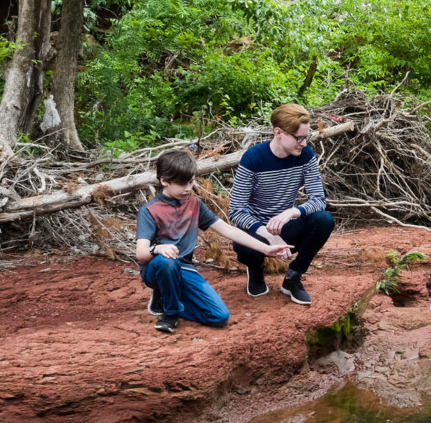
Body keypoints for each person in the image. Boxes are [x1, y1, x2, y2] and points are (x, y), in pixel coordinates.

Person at [137, 150, 291, 334]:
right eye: (182, 184)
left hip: (184, 268)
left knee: (219, 316)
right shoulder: (149, 210)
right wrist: (158, 248)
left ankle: (168, 296)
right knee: (166, 262)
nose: (188, 188)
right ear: (164, 181)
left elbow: (228, 230)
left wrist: (266, 248)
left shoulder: (194, 204)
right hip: (157, 267)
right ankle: (170, 313)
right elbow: (141, 253)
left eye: (191, 181)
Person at [228, 103, 336, 305]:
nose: (304, 143)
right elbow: (236, 211)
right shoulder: (253, 158)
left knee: (324, 220)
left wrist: (291, 213)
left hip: (286, 226)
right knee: (244, 248)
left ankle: (293, 277)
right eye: (299, 138)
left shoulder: (306, 156)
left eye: (306, 137)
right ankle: (255, 269)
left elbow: (318, 200)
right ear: (279, 133)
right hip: (257, 230)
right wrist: (268, 234)